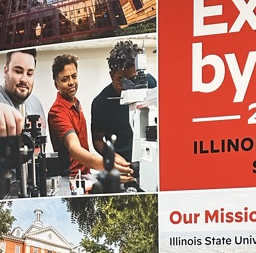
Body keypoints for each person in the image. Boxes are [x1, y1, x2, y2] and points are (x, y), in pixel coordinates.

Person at [48, 53, 132, 186]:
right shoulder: (57, 112)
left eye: (74, 76)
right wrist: (106, 165)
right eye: (65, 79)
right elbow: (74, 147)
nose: (71, 82)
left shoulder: (75, 103)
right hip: (70, 179)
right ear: (56, 84)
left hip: (84, 175)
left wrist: (112, 157)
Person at [91, 40, 157, 164]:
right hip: (123, 164)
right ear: (111, 75)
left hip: (151, 157)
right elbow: (97, 140)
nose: (128, 86)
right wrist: (113, 157)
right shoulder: (100, 103)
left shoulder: (151, 84)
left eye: (133, 79)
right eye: (122, 80)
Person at [0, 49, 46, 137]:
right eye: (18, 71)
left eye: (29, 73)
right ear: (6, 71)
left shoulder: (36, 103)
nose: (24, 80)